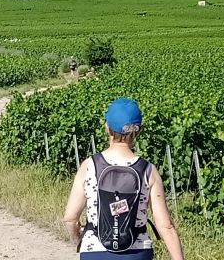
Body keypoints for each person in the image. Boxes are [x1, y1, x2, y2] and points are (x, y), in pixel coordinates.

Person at [62, 98, 185, 260]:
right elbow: (166, 226)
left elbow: (70, 218)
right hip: (138, 252)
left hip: (95, 252)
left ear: (107, 127)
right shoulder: (148, 170)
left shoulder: (89, 166)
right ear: (138, 131)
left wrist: (80, 240)